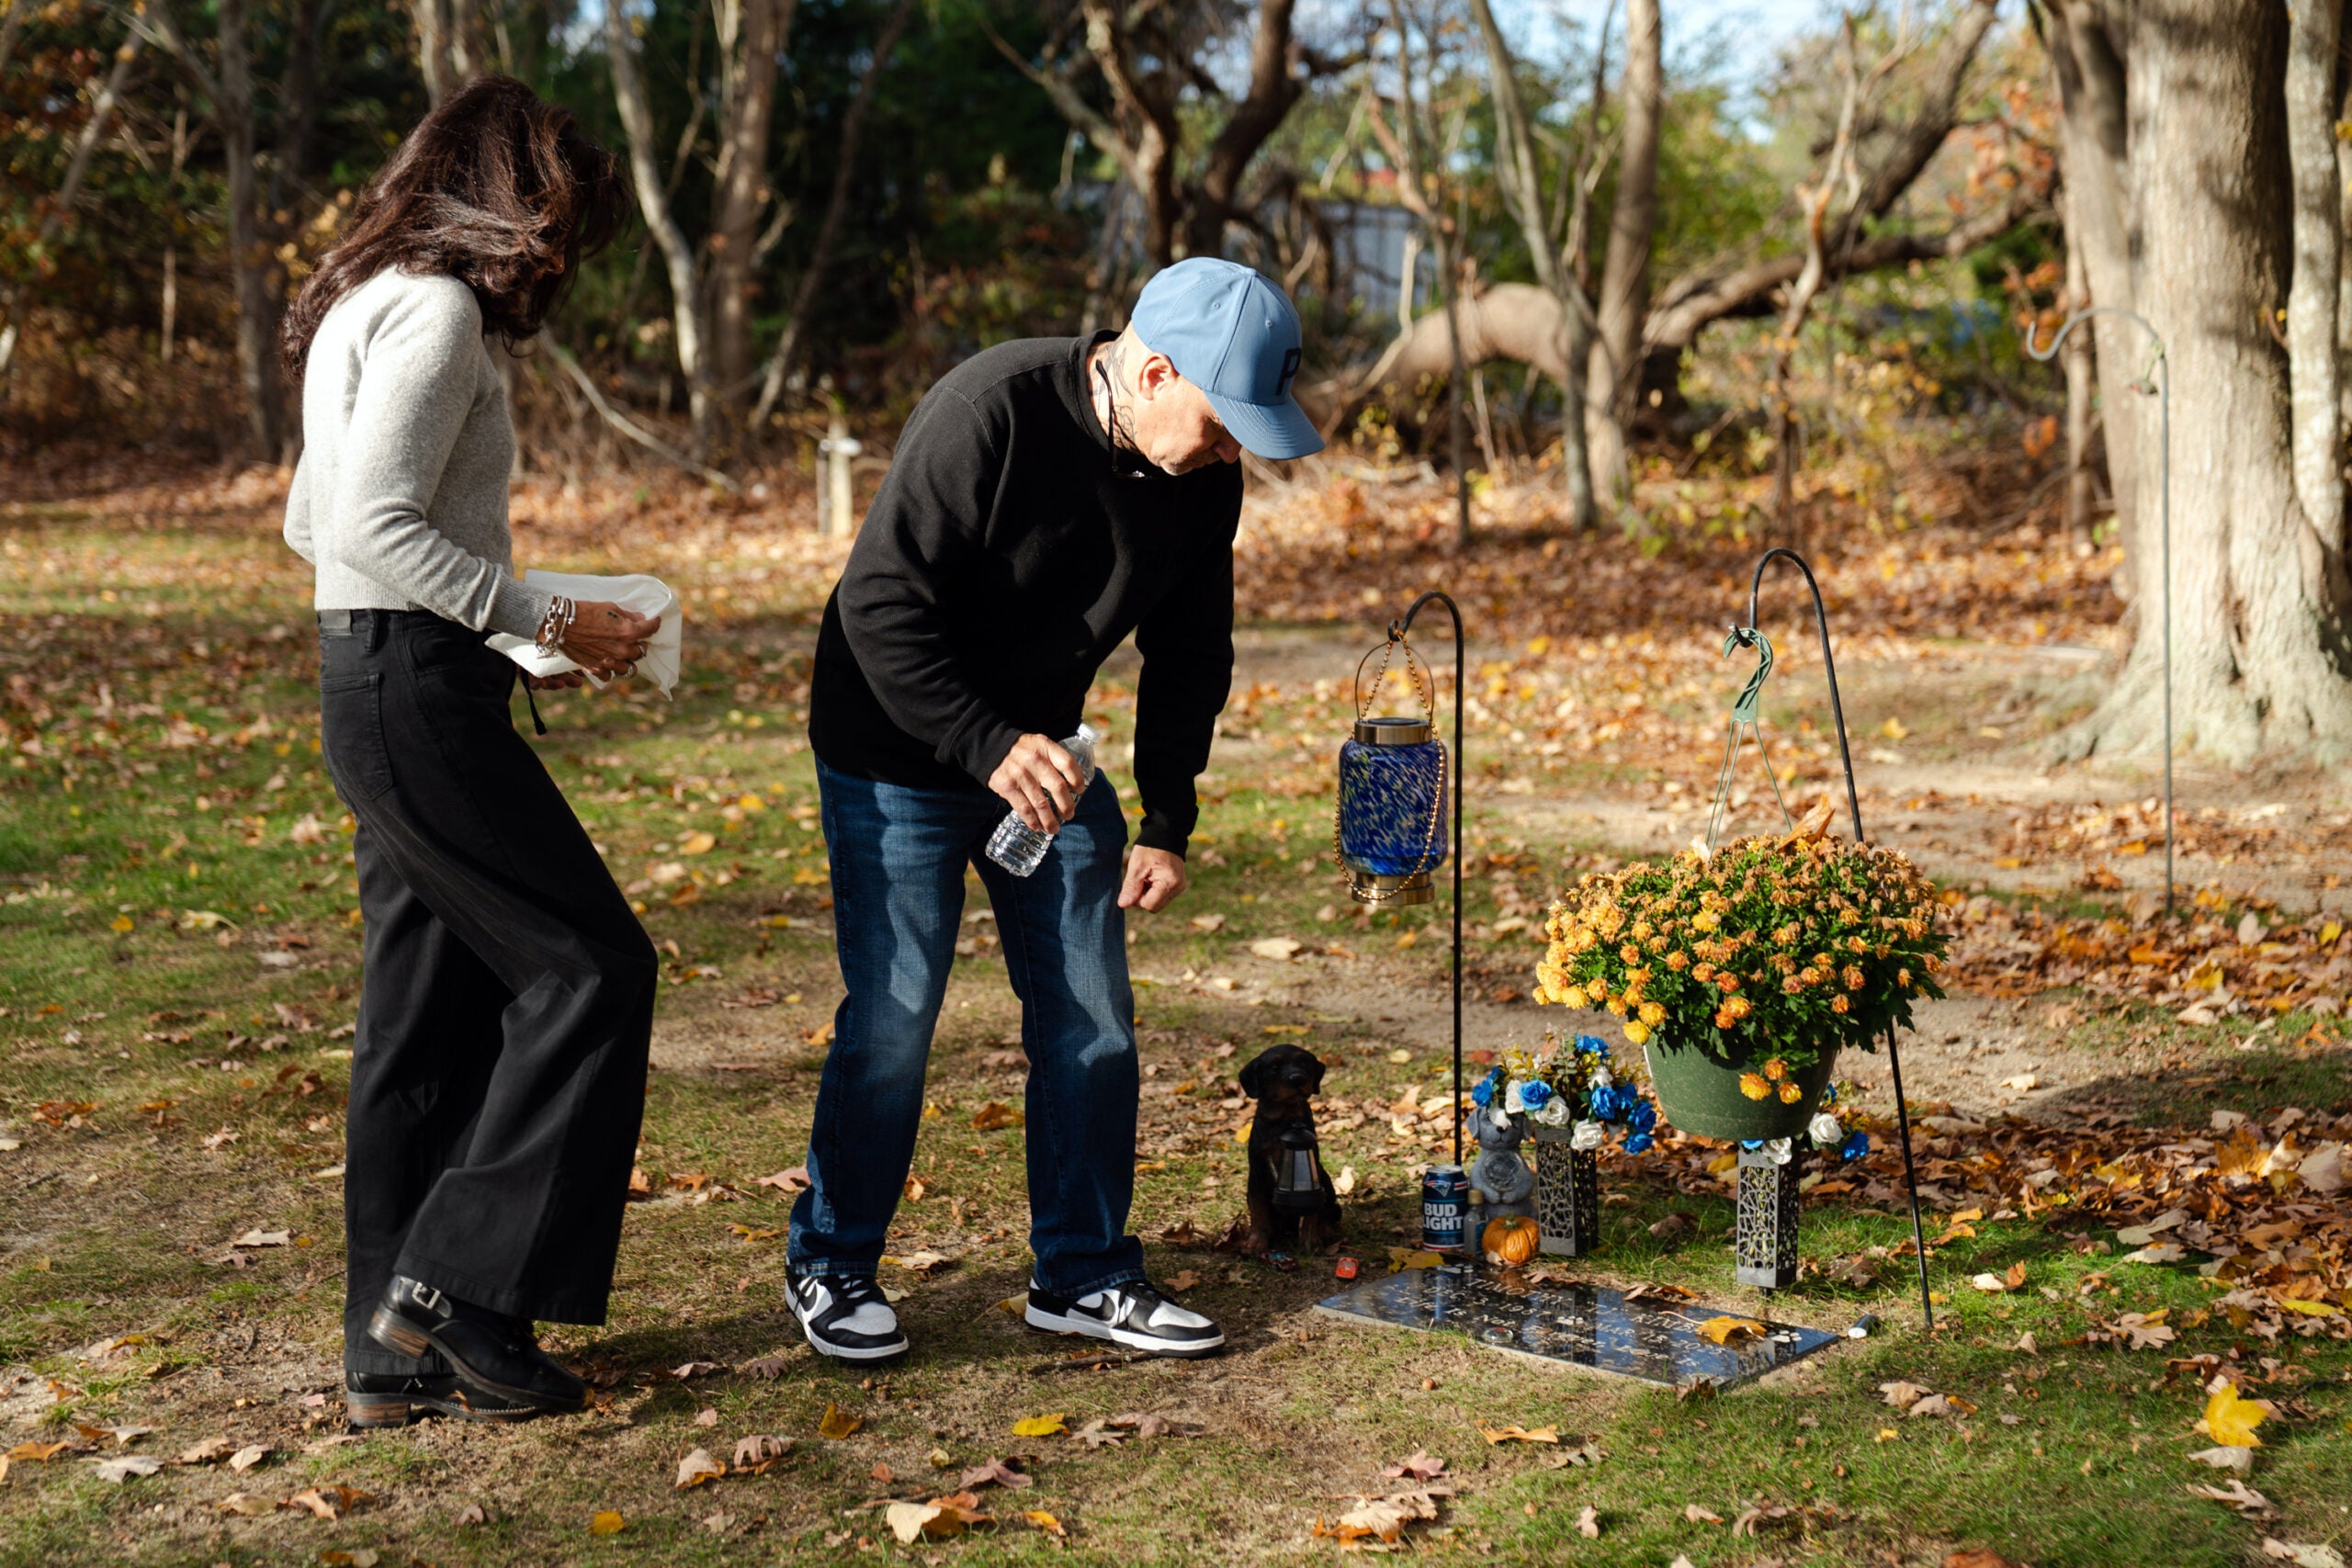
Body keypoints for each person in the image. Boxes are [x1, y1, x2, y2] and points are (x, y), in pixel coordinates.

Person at [788, 258, 1325, 1362]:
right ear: (1155, 370)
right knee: (893, 1019)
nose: (1235, 453)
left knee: (1093, 1016)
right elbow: (878, 606)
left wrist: (1169, 819)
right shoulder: (987, 412)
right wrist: (982, 744)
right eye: (1227, 425)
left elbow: (1190, 654)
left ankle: (1079, 1274)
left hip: (1043, 755)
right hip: (896, 741)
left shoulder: (1199, 480)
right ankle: (831, 1263)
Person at [279, 76, 663, 1427]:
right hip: (416, 695)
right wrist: (540, 611)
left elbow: (306, 523)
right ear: (506, 191)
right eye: (557, 221)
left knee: (423, 1011)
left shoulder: (359, 304)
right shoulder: (436, 313)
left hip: (372, 675)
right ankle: (462, 1289)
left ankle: (387, 1351)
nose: (560, 258)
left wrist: (497, 619)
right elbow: (372, 527)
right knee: (591, 966)